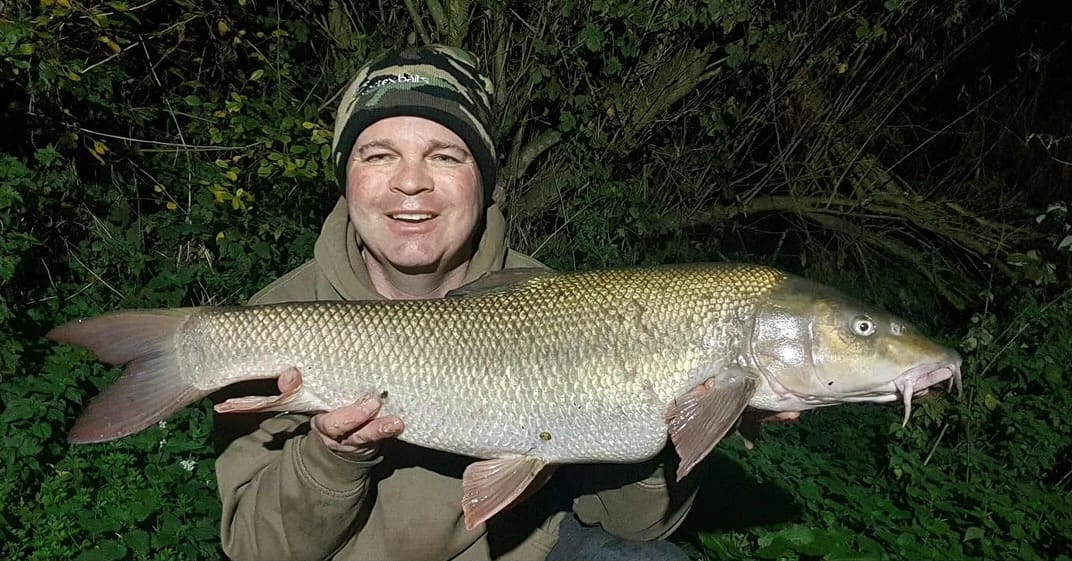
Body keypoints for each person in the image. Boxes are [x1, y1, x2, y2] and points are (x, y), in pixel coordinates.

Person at [213, 44, 698, 561]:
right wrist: (332, 457)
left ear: (482, 181)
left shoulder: (555, 304)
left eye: (445, 156)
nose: (412, 181)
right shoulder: (273, 321)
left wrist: (669, 424)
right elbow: (254, 551)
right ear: (345, 177)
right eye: (378, 155)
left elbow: (639, 527)